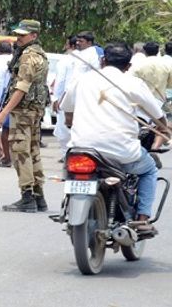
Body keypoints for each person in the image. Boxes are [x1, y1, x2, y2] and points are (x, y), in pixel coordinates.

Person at [61, 43, 170, 233]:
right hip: (121, 152)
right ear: (128, 66)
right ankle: (143, 219)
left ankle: (67, 209)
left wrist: (72, 123)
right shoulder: (134, 83)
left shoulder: (82, 80)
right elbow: (157, 115)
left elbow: (67, 113)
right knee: (149, 170)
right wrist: (165, 130)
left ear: (103, 61)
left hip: (81, 149)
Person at [0, 20, 50, 213]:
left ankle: (27, 196)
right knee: (33, 151)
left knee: (20, 152)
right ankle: (38, 196)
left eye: (22, 35)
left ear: (33, 36)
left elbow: (21, 87)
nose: (18, 38)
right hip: (33, 111)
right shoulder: (39, 54)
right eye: (18, 35)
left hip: (23, 111)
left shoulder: (27, 56)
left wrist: (3, 114)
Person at [51, 35, 77, 160]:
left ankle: (66, 153)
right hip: (81, 98)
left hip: (66, 97)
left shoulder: (65, 60)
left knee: (64, 125)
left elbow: (60, 81)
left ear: (70, 46)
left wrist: (56, 98)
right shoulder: (89, 60)